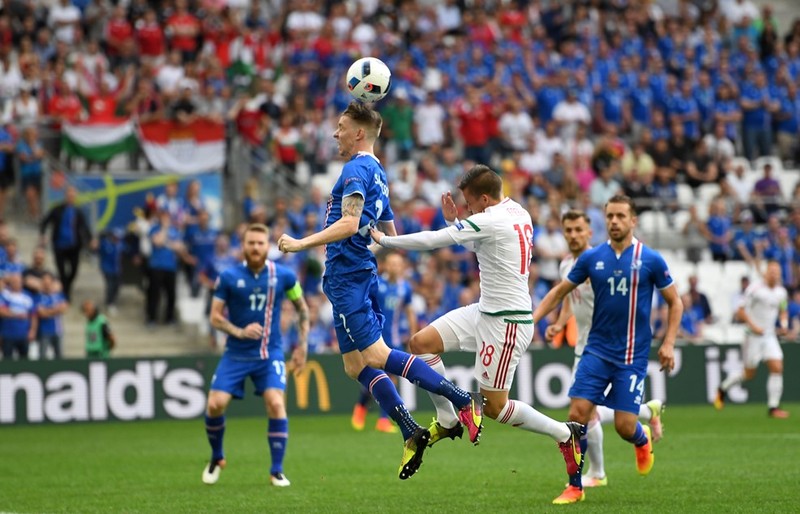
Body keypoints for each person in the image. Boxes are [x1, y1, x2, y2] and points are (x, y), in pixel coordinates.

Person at [277, 101, 482, 481]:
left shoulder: (356, 168)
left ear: (359, 133)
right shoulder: (379, 173)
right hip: (357, 272)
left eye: (341, 127)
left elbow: (350, 222)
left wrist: (301, 243)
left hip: (347, 275)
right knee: (355, 365)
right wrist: (372, 250)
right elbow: (388, 233)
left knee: (375, 354)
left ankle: (460, 398)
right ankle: (409, 430)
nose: (335, 133)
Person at [369, 165, 583, 491]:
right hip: (485, 310)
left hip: (506, 322)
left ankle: (564, 434)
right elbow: (477, 241)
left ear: (484, 198)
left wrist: (387, 240)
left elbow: (436, 241)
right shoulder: (517, 212)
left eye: (470, 204)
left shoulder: (491, 219)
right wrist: (456, 222)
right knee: (421, 342)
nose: (468, 209)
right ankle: (448, 418)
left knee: (495, 407)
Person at [533, 195, 682, 504]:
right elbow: (562, 292)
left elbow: (674, 301)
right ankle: (576, 485)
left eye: (620, 216)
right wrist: (532, 320)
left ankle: (641, 439)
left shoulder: (651, 259)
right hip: (595, 350)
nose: (614, 221)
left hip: (631, 356)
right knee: (578, 414)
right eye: (610, 216)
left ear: (633, 221)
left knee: (625, 426)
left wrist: (668, 343)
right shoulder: (592, 259)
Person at [202, 223, 310, 488]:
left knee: (275, 403)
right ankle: (217, 457)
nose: (255, 247)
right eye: (251, 243)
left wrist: (302, 346)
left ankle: (277, 470)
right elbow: (214, 317)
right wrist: (238, 331)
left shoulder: (284, 276)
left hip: (269, 353)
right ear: (243, 246)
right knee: (215, 404)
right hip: (236, 353)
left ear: (267, 246)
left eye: (260, 243)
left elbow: (302, 310)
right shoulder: (227, 277)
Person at [351, 250, 418, 434]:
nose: (395, 267)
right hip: (375, 337)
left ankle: (382, 420)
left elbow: (410, 312)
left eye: (399, 264)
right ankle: (361, 406)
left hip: (394, 339)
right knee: (375, 380)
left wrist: (412, 335)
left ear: (403, 267)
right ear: (386, 266)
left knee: (391, 379)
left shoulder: (405, 288)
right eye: (392, 263)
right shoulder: (377, 284)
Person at [715, 260, 789, 418]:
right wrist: (754, 326)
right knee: (749, 374)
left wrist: (784, 324)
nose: (774, 274)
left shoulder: (781, 292)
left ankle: (773, 407)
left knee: (777, 366)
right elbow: (740, 311)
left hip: (769, 336)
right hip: (752, 336)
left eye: (777, 272)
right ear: (766, 272)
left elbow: (783, 309)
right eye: (772, 271)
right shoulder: (755, 289)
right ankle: (723, 388)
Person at [39, 186, 94, 301]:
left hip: (74, 246)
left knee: (74, 270)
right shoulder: (57, 209)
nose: (71, 197)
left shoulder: (78, 211)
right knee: (62, 271)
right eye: (69, 195)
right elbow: (45, 222)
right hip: (59, 245)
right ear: (65, 196)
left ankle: (66, 287)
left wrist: (91, 239)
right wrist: (43, 234)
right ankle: (66, 294)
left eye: (73, 195)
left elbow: (85, 227)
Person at [0, 271, 38, 360]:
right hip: (7, 334)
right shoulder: (5, 294)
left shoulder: (28, 296)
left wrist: (32, 330)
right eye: (13, 282)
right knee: (7, 360)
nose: (16, 284)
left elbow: (33, 315)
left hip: (23, 335)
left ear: (22, 282)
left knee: (24, 360)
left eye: (17, 281)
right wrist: (17, 315)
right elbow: (2, 311)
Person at [36, 272, 68, 359]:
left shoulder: (58, 295)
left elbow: (64, 308)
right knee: (42, 355)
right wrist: (55, 310)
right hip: (44, 331)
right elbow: (41, 313)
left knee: (59, 356)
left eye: (48, 282)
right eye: (45, 282)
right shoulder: (38, 297)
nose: (47, 285)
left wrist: (48, 310)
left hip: (58, 330)